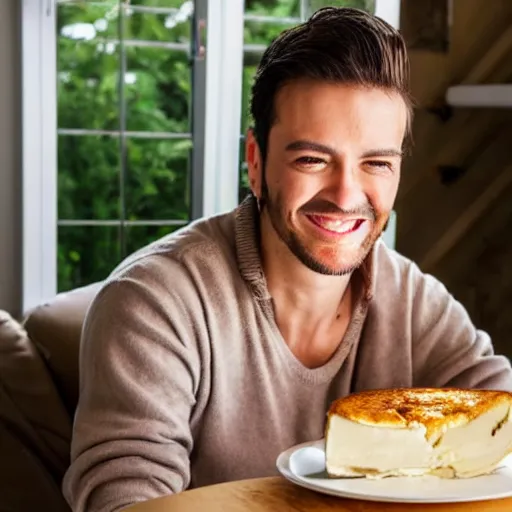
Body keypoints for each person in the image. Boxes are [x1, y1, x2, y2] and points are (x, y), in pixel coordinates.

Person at [62, 6, 512, 512]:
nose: (346, 195)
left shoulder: (414, 301)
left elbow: (502, 425)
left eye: (376, 163)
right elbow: (124, 500)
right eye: (312, 160)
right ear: (256, 163)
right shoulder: (154, 302)